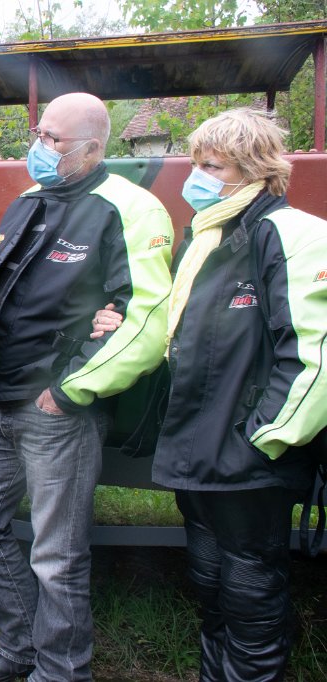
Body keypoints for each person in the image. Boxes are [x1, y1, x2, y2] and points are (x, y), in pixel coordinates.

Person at [91, 108, 327, 682]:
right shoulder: (208, 237)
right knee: (210, 575)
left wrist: (264, 439)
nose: (196, 176)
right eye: (196, 163)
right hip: (198, 446)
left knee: (250, 584)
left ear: (256, 169)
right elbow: (179, 333)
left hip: (247, 454)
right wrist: (115, 319)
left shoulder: (289, 233)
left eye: (213, 166)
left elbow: (312, 352)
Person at [0, 92, 173, 681]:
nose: (40, 147)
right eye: (39, 133)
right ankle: (21, 650)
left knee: (57, 557)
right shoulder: (29, 200)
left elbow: (145, 319)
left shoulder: (130, 207)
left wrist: (70, 390)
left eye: (54, 140)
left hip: (58, 412)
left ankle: (60, 671)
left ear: (93, 149)